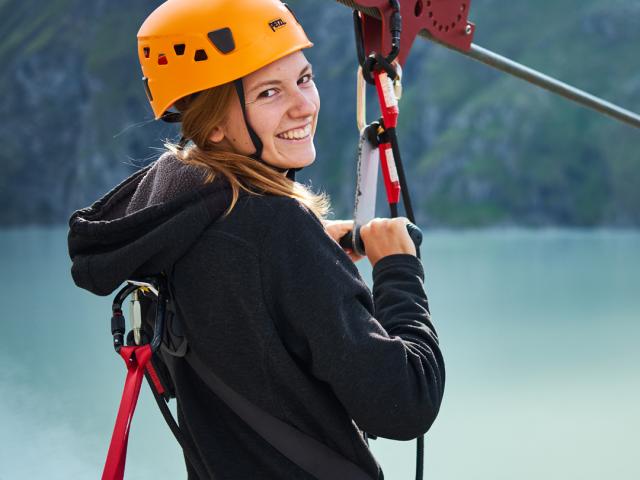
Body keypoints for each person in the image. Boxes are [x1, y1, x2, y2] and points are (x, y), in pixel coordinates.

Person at [68, 0, 445, 478]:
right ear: (215, 121)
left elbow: (243, 280)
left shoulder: (170, 211)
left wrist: (314, 248)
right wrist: (398, 271)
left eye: (304, 79)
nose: (304, 105)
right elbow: (405, 403)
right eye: (269, 92)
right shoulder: (274, 228)